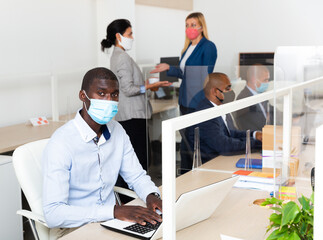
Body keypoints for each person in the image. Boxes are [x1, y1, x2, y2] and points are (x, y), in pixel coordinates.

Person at [42, 68, 162, 237]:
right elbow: (54, 214)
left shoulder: (118, 131)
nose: (109, 101)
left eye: (114, 95)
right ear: (83, 96)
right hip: (74, 227)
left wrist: (152, 195)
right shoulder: (61, 143)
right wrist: (113, 211)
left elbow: (136, 176)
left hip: (112, 222)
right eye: (101, 93)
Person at [101, 19, 171, 171]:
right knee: (140, 159)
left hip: (131, 114)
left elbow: (128, 84)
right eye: (130, 34)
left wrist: (147, 84)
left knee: (137, 158)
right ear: (119, 36)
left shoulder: (118, 56)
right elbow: (128, 89)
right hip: (132, 115)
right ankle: (138, 194)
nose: (132, 37)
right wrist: (150, 85)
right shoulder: (122, 58)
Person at [185, 73, 262, 169]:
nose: (231, 91)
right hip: (212, 166)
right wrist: (258, 144)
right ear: (215, 92)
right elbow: (224, 145)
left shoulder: (219, 107)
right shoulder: (206, 113)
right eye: (227, 88)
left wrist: (255, 135)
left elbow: (230, 133)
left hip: (223, 160)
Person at [150, 12, 217, 115]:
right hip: (184, 100)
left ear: (202, 27)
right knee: (184, 131)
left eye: (193, 25)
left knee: (195, 131)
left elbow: (205, 75)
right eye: (187, 25)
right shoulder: (187, 48)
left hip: (198, 101)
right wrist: (169, 68)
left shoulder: (208, 46)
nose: (189, 28)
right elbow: (184, 73)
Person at [234, 64, 271, 131]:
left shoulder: (260, 94)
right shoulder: (243, 99)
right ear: (254, 80)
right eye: (265, 80)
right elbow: (258, 124)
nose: (267, 83)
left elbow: (271, 110)